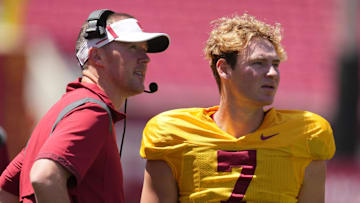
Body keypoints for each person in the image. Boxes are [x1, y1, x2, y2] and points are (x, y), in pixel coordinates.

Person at [140, 13, 335, 203]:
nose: (272, 73)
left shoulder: (306, 134)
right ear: (224, 68)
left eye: (275, 64)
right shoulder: (174, 134)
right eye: (258, 63)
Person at [0, 9, 169, 203]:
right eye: (132, 47)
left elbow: (6, 192)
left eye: (144, 48)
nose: (145, 58)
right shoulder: (92, 110)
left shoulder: (64, 110)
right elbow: (45, 177)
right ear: (96, 56)